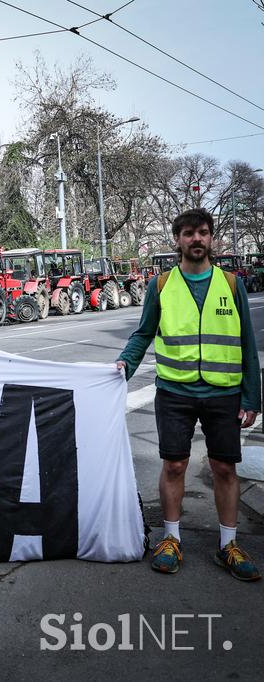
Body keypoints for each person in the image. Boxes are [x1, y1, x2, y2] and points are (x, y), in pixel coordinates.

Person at [116, 208, 261, 581]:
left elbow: (247, 343)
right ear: (177, 240)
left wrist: (251, 398)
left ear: (211, 238)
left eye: (203, 232)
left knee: (225, 468)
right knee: (174, 465)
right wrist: (122, 366)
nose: (196, 239)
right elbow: (143, 333)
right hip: (174, 391)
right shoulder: (161, 285)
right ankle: (171, 538)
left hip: (223, 393)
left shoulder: (231, 284)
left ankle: (228, 545)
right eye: (188, 233)